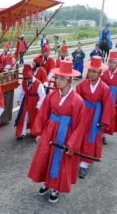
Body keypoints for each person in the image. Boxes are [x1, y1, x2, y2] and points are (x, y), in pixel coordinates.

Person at [27, 59, 85, 203]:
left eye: (62, 78)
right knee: (46, 156)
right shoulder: (51, 95)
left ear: (69, 80)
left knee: (59, 160)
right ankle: (47, 183)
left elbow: (80, 126)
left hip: (65, 134)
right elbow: (43, 114)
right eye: (57, 77)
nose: (57, 81)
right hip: (49, 131)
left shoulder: (78, 101)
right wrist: (39, 132)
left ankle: (56, 188)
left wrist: (72, 144)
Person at [75, 56, 115, 178]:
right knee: (79, 136)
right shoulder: (81, 86)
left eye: (94, 71)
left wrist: (104, 120)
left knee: (90, 138)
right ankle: (76, 158)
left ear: (99, 72)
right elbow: (76, 101)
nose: (91, 74)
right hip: (82, 114)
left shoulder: (104, 88)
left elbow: (108, 106)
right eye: (90, 71)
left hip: (95, 116)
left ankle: (84, 165)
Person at [14, 65, 46, 140]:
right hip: (26, 100)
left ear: (31, 77)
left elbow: (43, 95)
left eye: (28, 79)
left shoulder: (38, 83)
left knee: (34, 117)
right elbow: (21, 91)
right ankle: (22, 133)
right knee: (23, 116)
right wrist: (19, 99)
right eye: (25, 79)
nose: (26, 81)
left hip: (35, 102)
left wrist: (39, 105)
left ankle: (35, 131)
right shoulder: (24, 82)